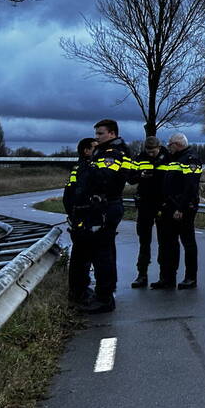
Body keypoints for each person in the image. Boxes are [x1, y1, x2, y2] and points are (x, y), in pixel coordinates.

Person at [78, 119, 132, 313]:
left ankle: (105, 299)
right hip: (107, 204)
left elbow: (105, 179)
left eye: (100, 134)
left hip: (106, 205)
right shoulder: (110, 150)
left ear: (112, 133)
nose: (97, 137)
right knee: (105, 250)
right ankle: (106, 293)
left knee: (102, 254)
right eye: (96, 134)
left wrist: (91, 170)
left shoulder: (112, 153)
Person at [153, 132, 202, 290]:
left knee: (188, 243)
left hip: (184, 208)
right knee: (169, 243)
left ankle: (190, 278)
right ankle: (168, 278)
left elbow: (191, 186)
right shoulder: (175, 159)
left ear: (178, 144)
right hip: (170, 207)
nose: (168, 147)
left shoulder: (190, 159)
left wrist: (181, 208)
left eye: (170, 144)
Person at [127, 135, 167, 288]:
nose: (151, 154)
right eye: (148, 151)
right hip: (145, 203)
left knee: (164, 241)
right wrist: (140, 176)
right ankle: (142, 275)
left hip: (162, 204)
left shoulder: (166, 157)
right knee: (144, 241)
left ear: (159, 147)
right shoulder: (139, 158)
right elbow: (130, 178)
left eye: (153, 151)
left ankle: (164, 275)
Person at [63, 137, 97, 306]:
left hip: (77, 216)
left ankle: (77, 291)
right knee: (82, 257)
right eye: (94, 148)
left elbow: (67, 194)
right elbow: (80, 194)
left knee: (79, 256)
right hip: (83, 217)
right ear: (86, 151)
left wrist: (71, 214)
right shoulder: (86, 168)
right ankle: (80, 293)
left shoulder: (77, 167)